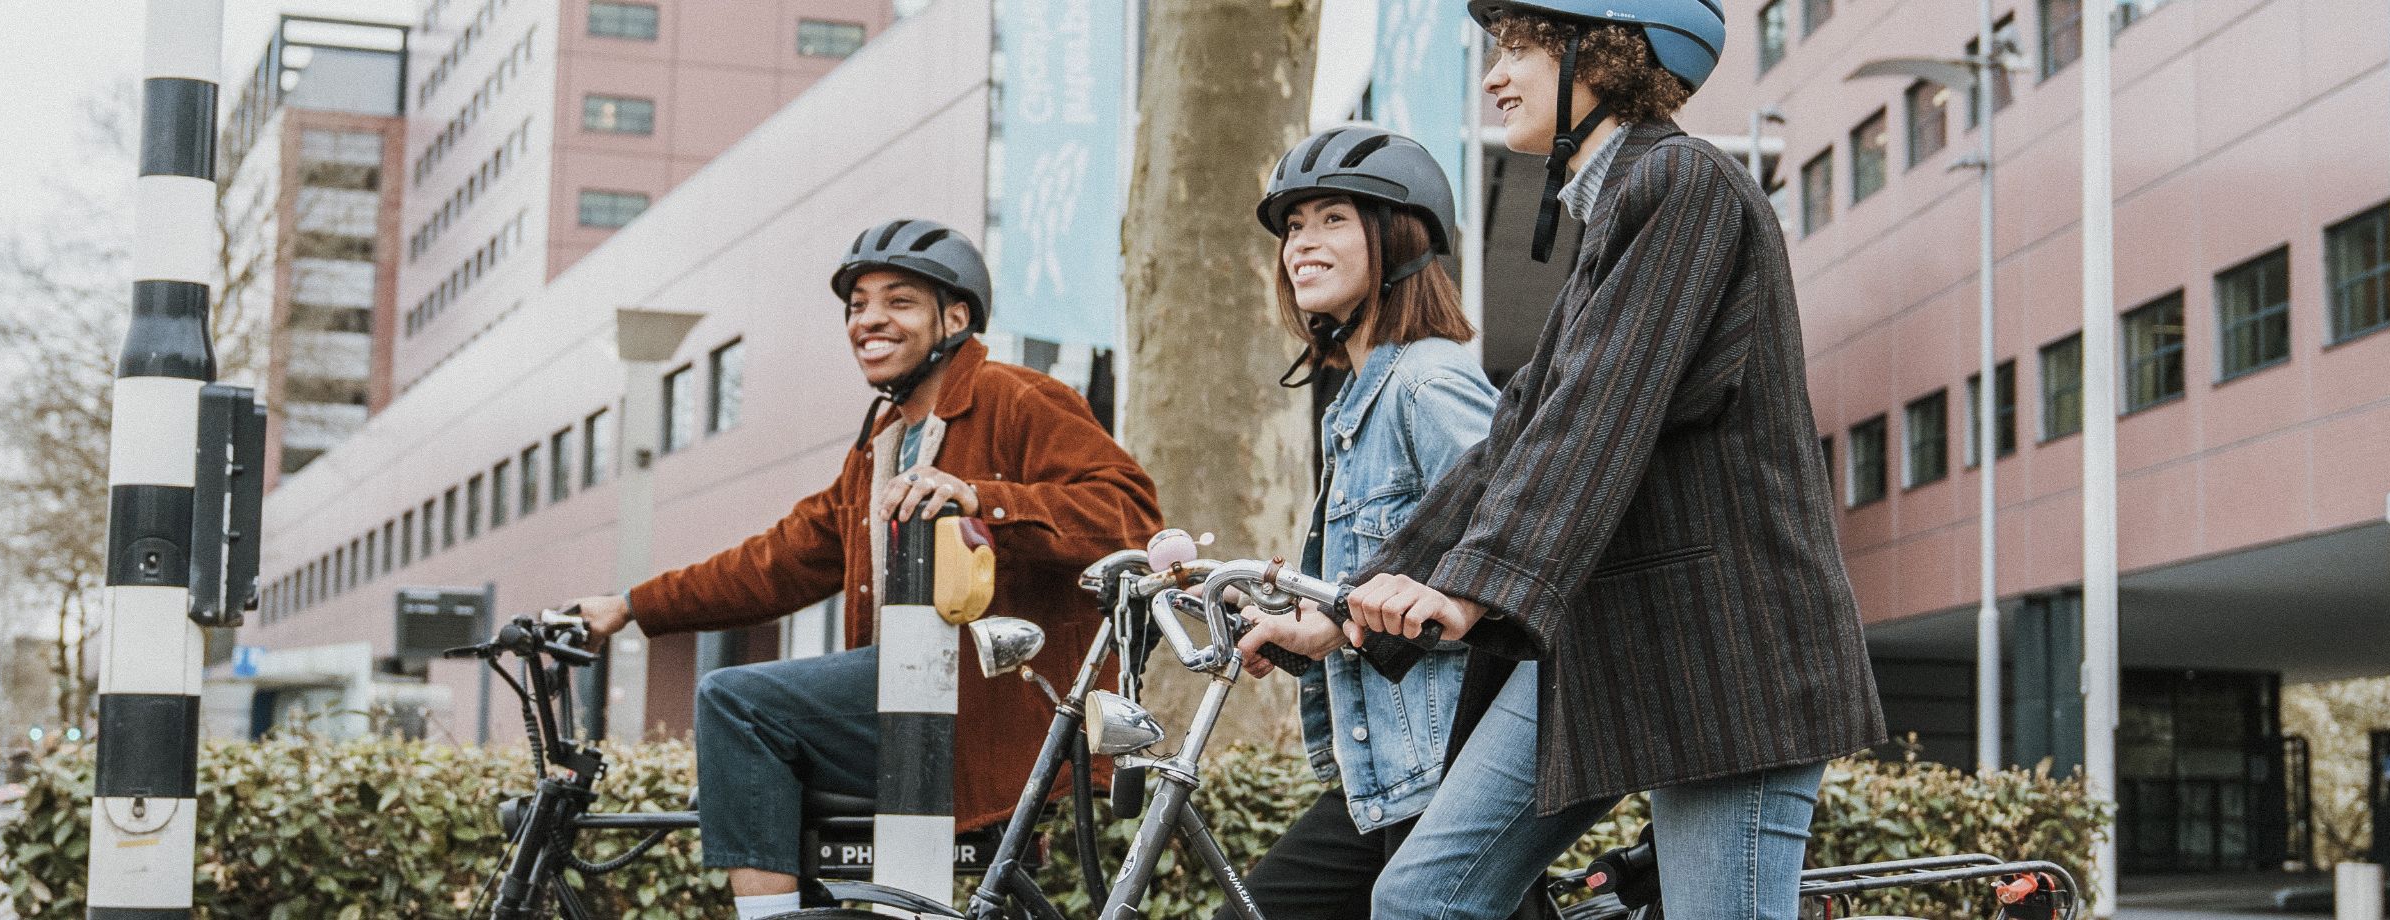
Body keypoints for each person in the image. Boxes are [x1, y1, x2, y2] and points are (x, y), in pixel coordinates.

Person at [1336, 3, 1888, 920]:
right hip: (1617, 643)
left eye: (1519, 48)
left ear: (1607, 53)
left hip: (1727, 659)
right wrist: (1362, 601)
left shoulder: (1685, 183)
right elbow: (1517, 437)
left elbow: (1596, 416)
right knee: (1425, 899)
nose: (1494, 75)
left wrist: (1472, 588)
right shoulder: (1619, 213)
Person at [565, 219, 1162, 920]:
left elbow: (1130, 518)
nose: (870, 320)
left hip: (999, 706)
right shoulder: (882, 445)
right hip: (913, 701)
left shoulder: (1017, 397)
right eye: (857, 306)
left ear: (956, 317)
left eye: (898, 302)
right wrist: (630, 605)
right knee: (753, 747)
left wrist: (983, 500)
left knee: (738, 702)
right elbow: (774, 563)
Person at [1217, 125, 1507, 920]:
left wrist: (1345, 625)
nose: (1301, 245)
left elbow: (1508, 553)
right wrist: (1314, 624)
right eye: (1294, 227)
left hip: (1446, 764)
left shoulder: (1428, 382)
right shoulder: (1357, 399)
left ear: (1400, 236)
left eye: (1332, 219)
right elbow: (1392, 574)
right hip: (1388, 768)